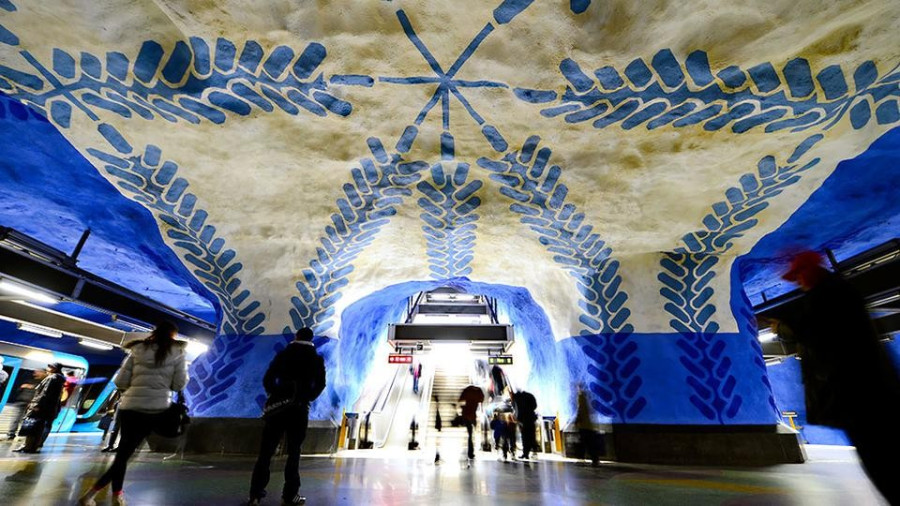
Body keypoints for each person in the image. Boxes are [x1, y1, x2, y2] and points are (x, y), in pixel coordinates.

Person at [774, 251, 900, 505]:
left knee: (882, 459)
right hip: (866, 393)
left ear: (811, 271)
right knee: (882, 456)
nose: (798, 282)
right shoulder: (838, 292)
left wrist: (784, 327)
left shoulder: (828, 296)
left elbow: (817, 334)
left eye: (799, 274)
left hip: (859, 394)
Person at [79, 321, 188, 506]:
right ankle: (91, 495)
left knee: (123, 453)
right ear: (173, 335)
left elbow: (120, 381)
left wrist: (136, 387)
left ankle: (116, 494)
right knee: (126, 456)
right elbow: (178, 384)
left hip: (130, 407)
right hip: (154, 409)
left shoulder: (137, 349)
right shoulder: (177, 353)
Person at [248, 327, 326, 506]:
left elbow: (268, 378)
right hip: (299, 409)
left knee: (266, 452)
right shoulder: (316, 359)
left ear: (296, 336)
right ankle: (290, 495)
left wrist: (276, 394)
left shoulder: (283, 355)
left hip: (278, 409)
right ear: (311, 339)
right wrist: (306, 397)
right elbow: (321, 384)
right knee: (294, 452)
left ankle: (255, 494)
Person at [15, 362, 65, 453]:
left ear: (54, 368)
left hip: (42, 407)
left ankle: (28, 446)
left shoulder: (52, 378)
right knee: (39, 427)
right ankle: (33, 446)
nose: (48, 368)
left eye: (50, 366)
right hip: (49, 408)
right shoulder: (60, 379)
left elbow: (44, 393)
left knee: (33, 426)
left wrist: (37, 405)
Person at [574, 383, 600, 466]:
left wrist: (577, 420)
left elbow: (581, 409)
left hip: (584, 424)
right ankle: (595, 460)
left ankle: (582, 460)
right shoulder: (590, 395)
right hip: (591, 424)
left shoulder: (581, 396)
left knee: (584, 443)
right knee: (591, 443)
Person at [458, 385, 484, 460]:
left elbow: (461, 400)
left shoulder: (467, 390)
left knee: (470, 434)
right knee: (471, 434)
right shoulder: (478, 391)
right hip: (472, 416)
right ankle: (470, 452)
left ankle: (470, 451)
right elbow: (481, 400)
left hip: (466, 415)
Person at [512, 389, 538, 459]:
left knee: (525, 437)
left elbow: (516, 410)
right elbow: (535, 406)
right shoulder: (530, 395)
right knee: (532, 435)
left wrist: (517, 419)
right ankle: (534, 452)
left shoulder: (516, 398)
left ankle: (526, 453)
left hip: (523, 420)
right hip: (531, 418)